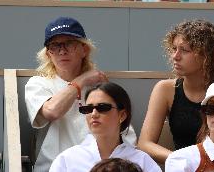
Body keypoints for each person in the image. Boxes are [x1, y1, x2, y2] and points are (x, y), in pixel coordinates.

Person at [25, 16, 137, 172]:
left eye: (69, 44)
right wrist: (81, 81)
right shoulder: (38, 83)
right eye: (55, 46)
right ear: (48, 54)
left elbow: (125, 135)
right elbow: (51, 111)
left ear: (84, 49)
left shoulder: (100, 87)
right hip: (54, 168)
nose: (62, 51)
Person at [137, 19, 214, 164]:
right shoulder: (165, 89)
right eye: (174, 49)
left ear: (206, 55)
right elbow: (145, 144)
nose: (176, 56)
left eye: (185, 50)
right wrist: (183, 160)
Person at [49, 82, 162, 172]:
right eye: (88, 109)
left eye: (102, 107)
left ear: (122, 115)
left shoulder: (143, 161)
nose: (93, 114)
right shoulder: (67, 159)